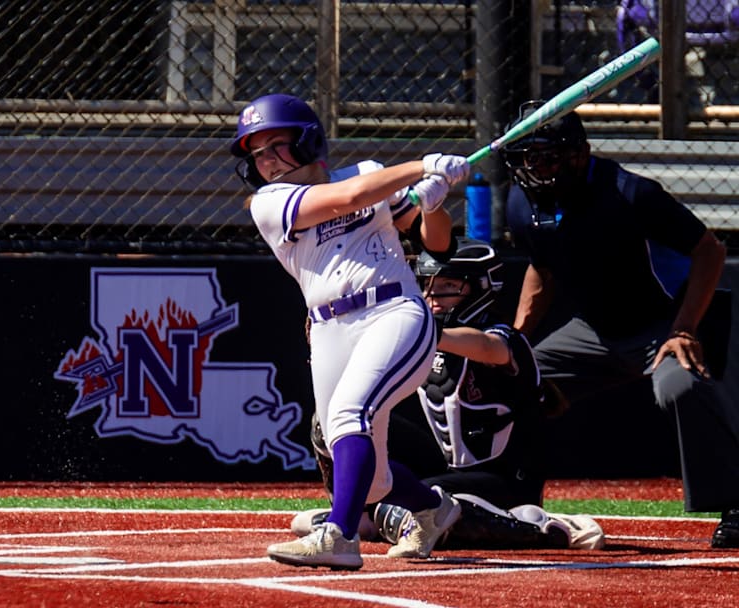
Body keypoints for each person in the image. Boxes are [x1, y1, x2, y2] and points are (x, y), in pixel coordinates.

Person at [230, 93, 469, 569]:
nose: (267, 160)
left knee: (348, 415)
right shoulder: (269, 202)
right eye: (256, 153)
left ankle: (338, 536)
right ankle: (434, 509)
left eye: (276, 145)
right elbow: (349, 199)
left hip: (393, 311)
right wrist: (422, 166)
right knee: (370, 478)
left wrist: (433, 204)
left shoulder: (368, 173)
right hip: (328, 329)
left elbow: (437, 245)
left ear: (307, 141)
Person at [500, 100, 739, 549]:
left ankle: (736, 504)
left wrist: (684, 328)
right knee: (510, 380)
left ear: (578, 155)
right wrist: (514, 342)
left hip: (663, 324)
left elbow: (710, 250)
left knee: (681, 386)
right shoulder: (521, 203)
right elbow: (541, 270)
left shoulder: (629, 193)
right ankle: (511, 502)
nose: (536, 169)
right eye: (527, 158)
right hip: (595, 331)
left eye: (547, 157)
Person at [292, 239, 605, 551]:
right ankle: (358, 514)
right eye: (429, 284)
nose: (433, 294)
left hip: (506, 481)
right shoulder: (425, 335)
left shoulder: (503, 338)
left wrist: (420, 330)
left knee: (413, 510)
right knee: (331, 421)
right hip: (448, 469)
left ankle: (541, 527)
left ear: (481, 288)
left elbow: (488, 348)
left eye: (448, 285)